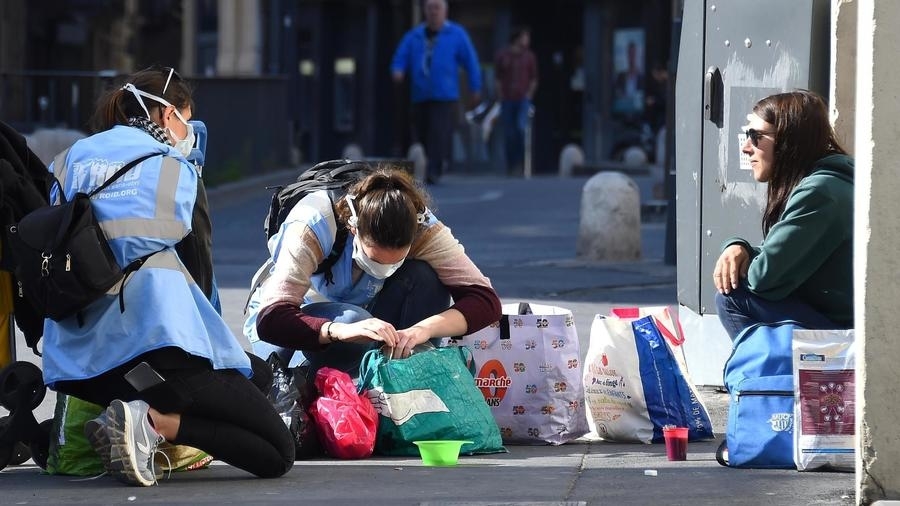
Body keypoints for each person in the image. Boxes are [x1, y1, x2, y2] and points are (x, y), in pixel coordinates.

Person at [42, 66, 295, 486]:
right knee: (277, 451)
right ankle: (154, 424)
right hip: (157, 347)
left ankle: (134, 416)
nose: (188, 130)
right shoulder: (171, 168)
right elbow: (198, 270)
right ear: (165, 115)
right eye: (185, 118)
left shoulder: (68, 161)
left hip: (79, 366)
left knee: (257, 373)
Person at [244, 166, 502, 378]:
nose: (385, 268)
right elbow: (271, 319)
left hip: (367, 319)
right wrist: (336, 331)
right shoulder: (313, 223)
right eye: (374, 258)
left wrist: (422, 330)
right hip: (299, 323)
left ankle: (407, 382)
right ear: (354, 229)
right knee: (352, 321)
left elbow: (485, 301)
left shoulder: (423, 227)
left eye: (395, 260)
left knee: (424, 278)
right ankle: (317, 381)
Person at [713, 90, 854, 340]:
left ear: (789, 141)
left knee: (732, 297)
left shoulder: (819, 193)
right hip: (841, 320)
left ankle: (764, 377)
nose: (746, 148)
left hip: (845, 335)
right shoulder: (828, 180)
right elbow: (780, 257)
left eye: (756, 137)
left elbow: (763, 279)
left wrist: (745, 254)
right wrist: (740, 247)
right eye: (747, 135)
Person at [391, 0, 482, 185]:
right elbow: (400, 56)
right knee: (422, 131)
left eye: (437, 8)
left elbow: (471, 62)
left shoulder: (456, 34)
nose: (433, 12)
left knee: (438, 132)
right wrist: (398, 69)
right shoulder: (415, 35)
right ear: (425, 11)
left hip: (445, 95)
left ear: (445, 11)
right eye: (430, 8)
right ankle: (425, 166)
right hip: (420, 94)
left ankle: (435, 168)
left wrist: (475, 87)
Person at [494, 26, 538, 176]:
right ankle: (510, 164)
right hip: (507, 99)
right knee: (508, 134)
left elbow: (533, 78)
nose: (527, 41)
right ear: (517, 38)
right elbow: (498, 77)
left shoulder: (529, 57)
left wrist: (529, 95)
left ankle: (520, 163)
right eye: (525, 37)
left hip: (522, 99)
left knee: (520, 129)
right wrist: (500, 95)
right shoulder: (503, 55)